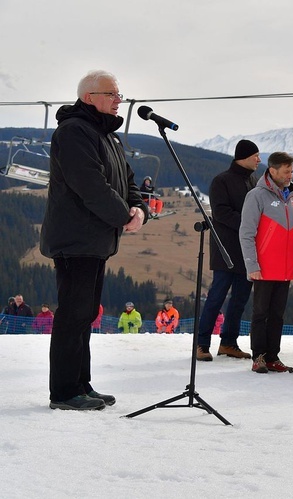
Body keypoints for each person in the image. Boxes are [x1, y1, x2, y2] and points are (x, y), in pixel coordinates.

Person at [40, 70, 148, 410]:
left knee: (85, 314)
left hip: (95, 241)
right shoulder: (74, 132)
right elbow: (90, 185)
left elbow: (127, 180)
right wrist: (123, 217)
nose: (120, 100)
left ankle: (80, 384)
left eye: (119, 94)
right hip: (76, 241)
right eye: (113, 94)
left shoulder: (107, 137)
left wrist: (138, 209)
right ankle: (64, 391)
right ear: (90, 98)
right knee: (73, 315)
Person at [195, 139, 261, 361]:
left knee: (240, 299)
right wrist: (249, 226)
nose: (259, 160)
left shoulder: (253, 181)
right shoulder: (221, 181)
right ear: (244, 157)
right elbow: (221, 213)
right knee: (216, 296)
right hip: (226, 248)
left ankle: (229, 343)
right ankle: (202, 343)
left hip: (247, 250)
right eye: (255, 156)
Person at [239, 151, 293, 374]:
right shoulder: (257, 195)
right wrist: (252, 266)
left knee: (278, 315)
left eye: (292, 171)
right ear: (273, 170)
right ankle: (259, 356)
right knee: (260, 314)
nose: (290, 175)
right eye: (286, 171)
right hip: (264, 268)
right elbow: (246, 233)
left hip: (286, 268)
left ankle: (273, 356)